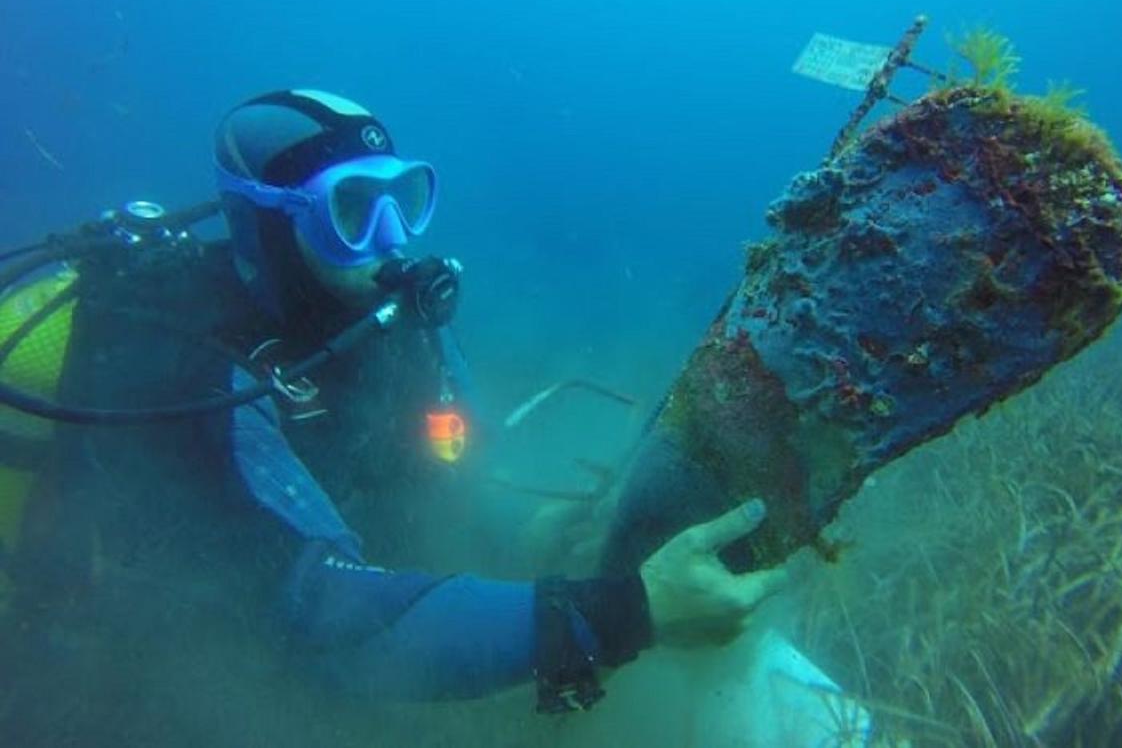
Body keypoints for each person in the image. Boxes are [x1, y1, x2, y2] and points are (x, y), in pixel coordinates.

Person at [0, 89, 789, 741]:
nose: (389, 240)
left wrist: (530, 534)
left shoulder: (395, 323)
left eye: (402, 198)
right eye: (351, 210)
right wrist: (631, 612)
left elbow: (451, 481)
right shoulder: (198, 368)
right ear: (270, 223)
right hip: (138, 674)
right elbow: (331, 621)